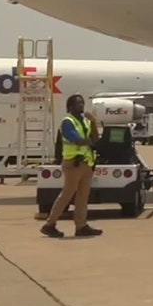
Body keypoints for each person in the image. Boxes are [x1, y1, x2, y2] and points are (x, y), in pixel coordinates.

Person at [40, 94, 104, 238]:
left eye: (82, 102)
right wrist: (90, 141)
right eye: (77, 103)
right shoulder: (67, 122)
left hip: (86, 163)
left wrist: (93, 123)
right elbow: (77, 139)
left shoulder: (86, 121)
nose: (81, 105)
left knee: (83, 197)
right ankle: (49, 224)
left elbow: (96, 139)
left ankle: (81, 226)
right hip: (73, 163)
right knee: (67, 194)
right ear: (70, 106)